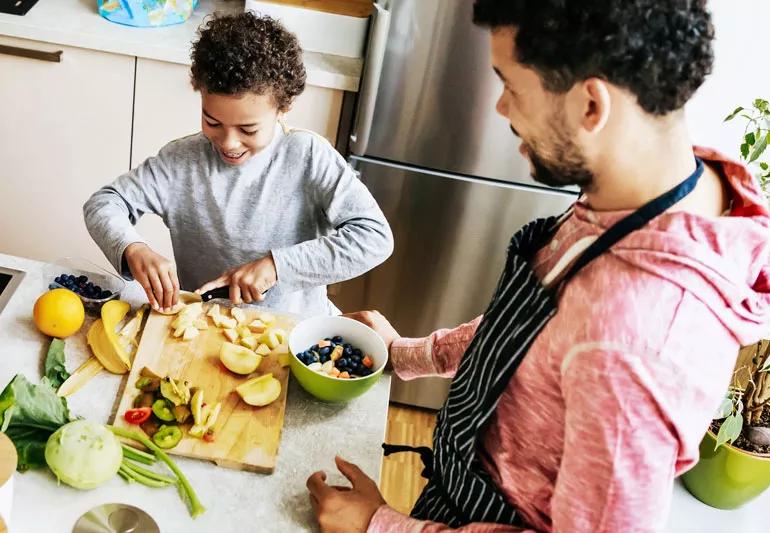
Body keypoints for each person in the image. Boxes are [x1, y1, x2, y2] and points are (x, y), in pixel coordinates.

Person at [306, 1, 770, 531]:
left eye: (510, 86)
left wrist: (381, 526)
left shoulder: (632, 340)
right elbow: (536, 332)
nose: (501, 108)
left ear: (591, 106)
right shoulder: (655, 190)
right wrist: (409, 355)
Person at [84, 12, 393, 315]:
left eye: (248, 129)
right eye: (212, 121)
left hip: (292, 330)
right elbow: (103, 203)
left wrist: (276, 266)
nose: (229, 142)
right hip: (205, 327)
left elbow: (374, 238)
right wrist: (132, 248)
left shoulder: (308, 157)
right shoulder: (180, 162)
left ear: (284, 107)